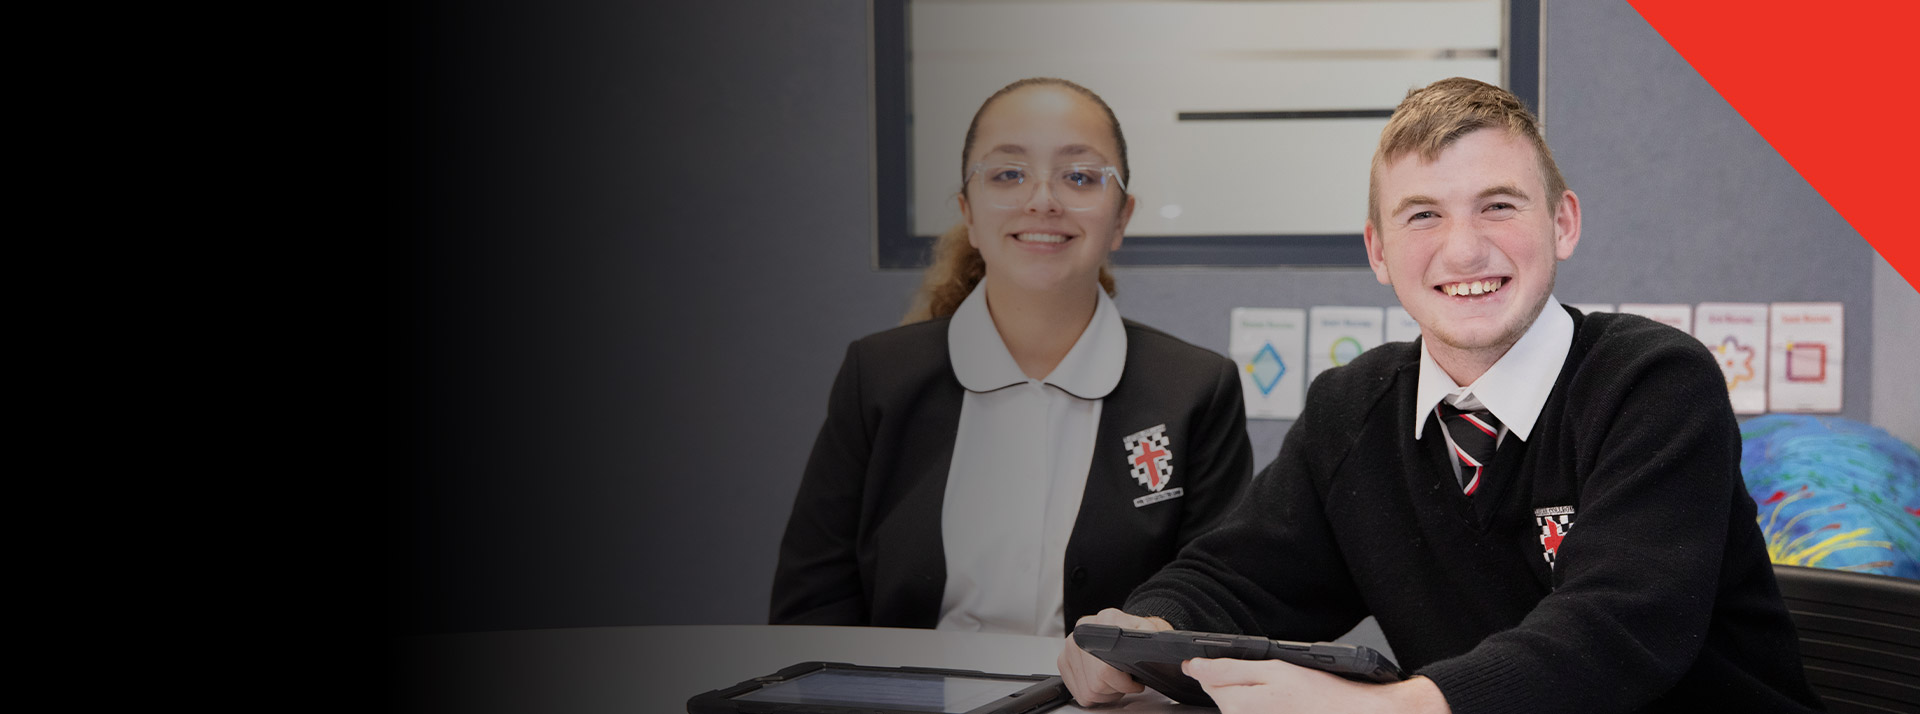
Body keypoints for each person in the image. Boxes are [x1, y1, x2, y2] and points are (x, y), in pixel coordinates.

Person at [1057, 77, 1822, 713]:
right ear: (1378, 251)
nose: (1463, 248)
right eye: (1423, 214)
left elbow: (1618, 628)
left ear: (1563, 222)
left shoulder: (1655, 383)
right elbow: (1239, 578)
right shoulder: (1350, 409)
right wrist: (1143, 631)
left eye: (1499, 205)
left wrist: (1398, 707)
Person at [770, 78, 1255, 637]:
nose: (1041, 200)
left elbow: (1216, 604)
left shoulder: (1195, 389)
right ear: (968, 214)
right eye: (1007, 174)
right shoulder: (878, 378)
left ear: (1121, 218)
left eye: (1079, 176)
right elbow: (811, 609)